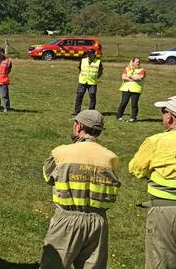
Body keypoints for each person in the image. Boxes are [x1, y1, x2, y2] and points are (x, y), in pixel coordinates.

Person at [40, 110, 120, 268]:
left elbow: (48, 177)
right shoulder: (111, 157)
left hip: (67, 219)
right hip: (99, 222)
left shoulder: (60, 153)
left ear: (78, 126)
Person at [129, 96, 176, 268]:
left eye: (163, 112)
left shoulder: (156, 141)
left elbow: (136, 168)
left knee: (160, 258)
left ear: (170, 116)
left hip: (166, 210)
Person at [116, 57, 146, 122]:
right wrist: (133, 79)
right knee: (123, 103)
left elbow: (139, 78)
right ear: (132, 62)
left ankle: (133, 118)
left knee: (134, 104)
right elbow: (123, 77)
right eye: (136, 62)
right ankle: (119, 116)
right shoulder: (127, 69)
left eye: (139, 62)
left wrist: (130, 77)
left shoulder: (141, 70)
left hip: (136, 89)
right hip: (126, 89)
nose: (138, 63)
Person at [74, 49, 103, 115]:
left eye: (90, 54)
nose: (89, 56)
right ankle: (77, 112)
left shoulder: (98, 62)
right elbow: (80, 69)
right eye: (88, 54)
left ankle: (91, 112)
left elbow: (101, 72)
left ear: (94, 54)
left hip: (92, 82)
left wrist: (96, 77)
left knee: (92, 97)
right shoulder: (83, 60)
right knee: (79, 96)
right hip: (82, 82)